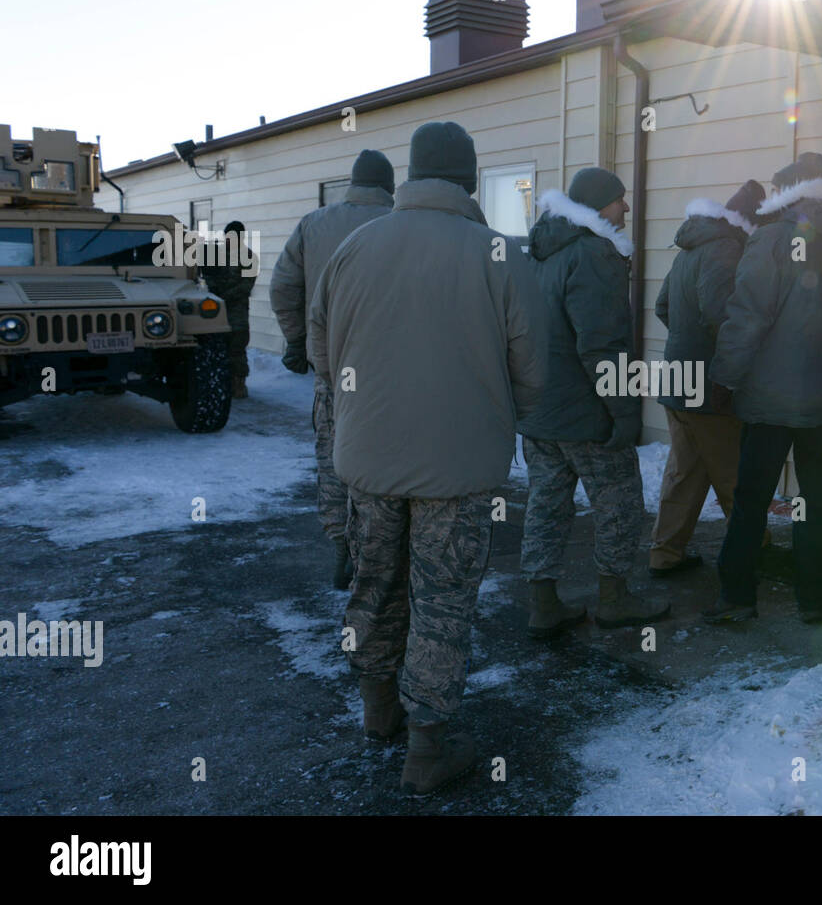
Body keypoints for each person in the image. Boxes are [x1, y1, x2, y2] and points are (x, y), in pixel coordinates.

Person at [307, 121, 546, 795]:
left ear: (411, 177)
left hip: (367, 458)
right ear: (469, 180)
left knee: (374, 583)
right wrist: (497, 412)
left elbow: (325, 360)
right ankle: (429, 745)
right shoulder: (499, 254)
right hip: (458, 463)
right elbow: (533, 367)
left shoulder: (354, 246)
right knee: (441, 599)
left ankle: (377, 708)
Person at [704, 153, 822, 625]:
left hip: (769, 399)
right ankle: (812, 600)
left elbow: (748, 315)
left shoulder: (770, 240)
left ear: (786, 194)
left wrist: (724, 378)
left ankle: (736, 597)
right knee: (815, 504)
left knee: (750, 501)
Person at [517, 167, 670, 638]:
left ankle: (542, 604)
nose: (626, 208)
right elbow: (601, 346)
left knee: (546, 504)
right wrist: (624, 414)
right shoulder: (594, 254)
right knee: (619, 501)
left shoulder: (541, 253)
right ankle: (614, 598)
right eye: (620, 200)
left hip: (540, 410)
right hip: (585, 413)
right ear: (601, 205)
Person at [271, 149, 394, 591]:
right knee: (379, 461)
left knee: (332, 457)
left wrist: (297, 340)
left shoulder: (314, 224)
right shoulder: (399, 223)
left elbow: (284, 287)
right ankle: (375, 549)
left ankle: (340, 546)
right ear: (389, 185)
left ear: (353, 182)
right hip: (387, 373)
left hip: (332, 369)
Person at [648, 180, 765, 577]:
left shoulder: (692, 247)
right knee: (734, 471)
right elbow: (721, 315)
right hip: (709, 385)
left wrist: (687, 341)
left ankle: (666, 554)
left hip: (678, 379)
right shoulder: (726, 248)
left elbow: (663, 306)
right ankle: (748, 555)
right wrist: (734, 364)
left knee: (685, 473)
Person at [201, 221, 257, 399]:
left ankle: (238, 384)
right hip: (215, 310)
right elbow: (206, 276)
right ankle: (218, 383)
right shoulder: (213, 253)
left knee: (237, 347)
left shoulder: (248, 257)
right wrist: (214, 291)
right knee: (215, 346)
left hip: (236, 310)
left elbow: (246, 285)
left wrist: (224, 295)